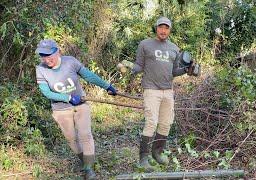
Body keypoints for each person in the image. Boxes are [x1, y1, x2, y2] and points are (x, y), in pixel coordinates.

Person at [35, 39, 117, 179]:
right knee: (71, 139)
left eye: (49, 55)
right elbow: (46, 92)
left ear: (58, 52)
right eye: (43, 56)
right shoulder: (41, 69)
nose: (46, 59)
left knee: (85, 135)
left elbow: (88, 75)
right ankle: (84, 160)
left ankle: (89, 169)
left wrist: (106, 86)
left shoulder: (70, 62)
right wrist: (68, 98)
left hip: (81, 105)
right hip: (61, 110)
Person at [130, 17, 189, 171]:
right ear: (156, 28)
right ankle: (143, 158)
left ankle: (157, 152)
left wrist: (186, 70)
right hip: (151, 89)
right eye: (160, 27)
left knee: (166, 122)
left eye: (166, 28)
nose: (163, 30)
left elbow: (174, 71)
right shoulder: (145, 44)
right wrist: (130, 68)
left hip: (168, 90)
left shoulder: (175, 48)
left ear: (170, 30)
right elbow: (139, 65)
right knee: (151, 122)